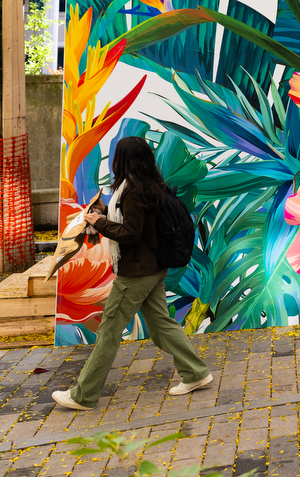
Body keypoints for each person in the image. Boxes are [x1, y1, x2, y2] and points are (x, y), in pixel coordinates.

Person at [52, 137, 213, 410]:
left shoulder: (134, 191)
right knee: (161, 326)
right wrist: (104, 212)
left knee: (109, 332)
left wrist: (100, 222)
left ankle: (83, 395)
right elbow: (132, 223)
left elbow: (130, 234)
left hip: (137, 273)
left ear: (122, 160)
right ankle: (196, 373)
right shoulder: (145, 186)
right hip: (151, 269)